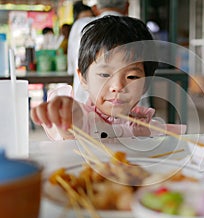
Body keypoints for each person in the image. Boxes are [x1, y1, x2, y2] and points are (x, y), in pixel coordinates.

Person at [31, 16, 186, 140]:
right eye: (105, 74)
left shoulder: (149, 128)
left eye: (132, 76)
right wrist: (67, 112)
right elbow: (77, 123)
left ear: (146, 84)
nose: (118, 86)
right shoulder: (86, 119)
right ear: (83, 79)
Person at [67, 0, 129, 103]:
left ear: (95, 8)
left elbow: (71, 67)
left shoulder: (81, 26)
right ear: (127, 6)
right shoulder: (140, 30)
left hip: (84, 104)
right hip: (133, 109)